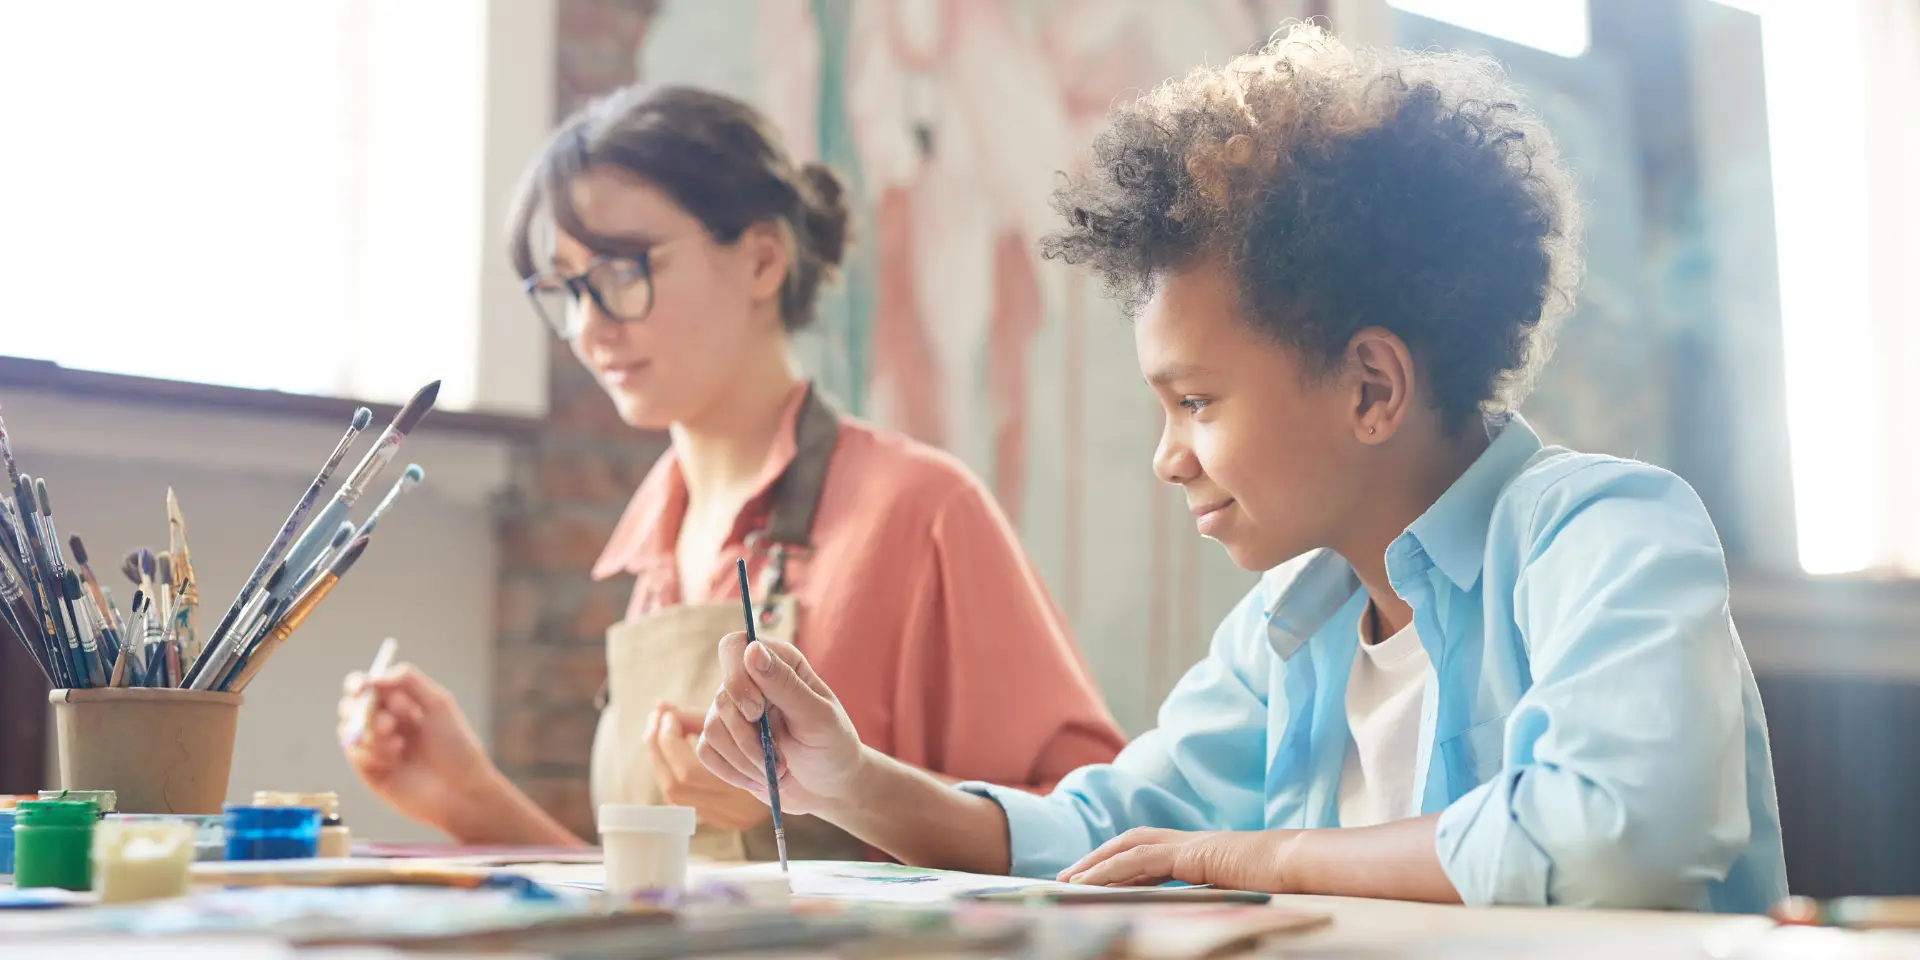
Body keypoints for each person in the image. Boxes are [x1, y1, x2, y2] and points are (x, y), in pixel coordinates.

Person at [695, 26, 1789, 911]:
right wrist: (849, 780)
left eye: (1197, 402)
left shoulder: (1606, 532)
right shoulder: (1299, 619)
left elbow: (1614, 836)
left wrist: (1254, 857)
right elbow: (1107, 833)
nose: (1170, 458)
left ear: (1370, 388)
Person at [337, 85, 1126, 860]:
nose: (589, 326)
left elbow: (1092, 832)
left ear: (761, 259)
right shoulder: (649, 555)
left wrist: (820, 798)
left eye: (623, 270)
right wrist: (470, 797)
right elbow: (668, 906)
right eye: (568, 288)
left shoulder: (920, 511)